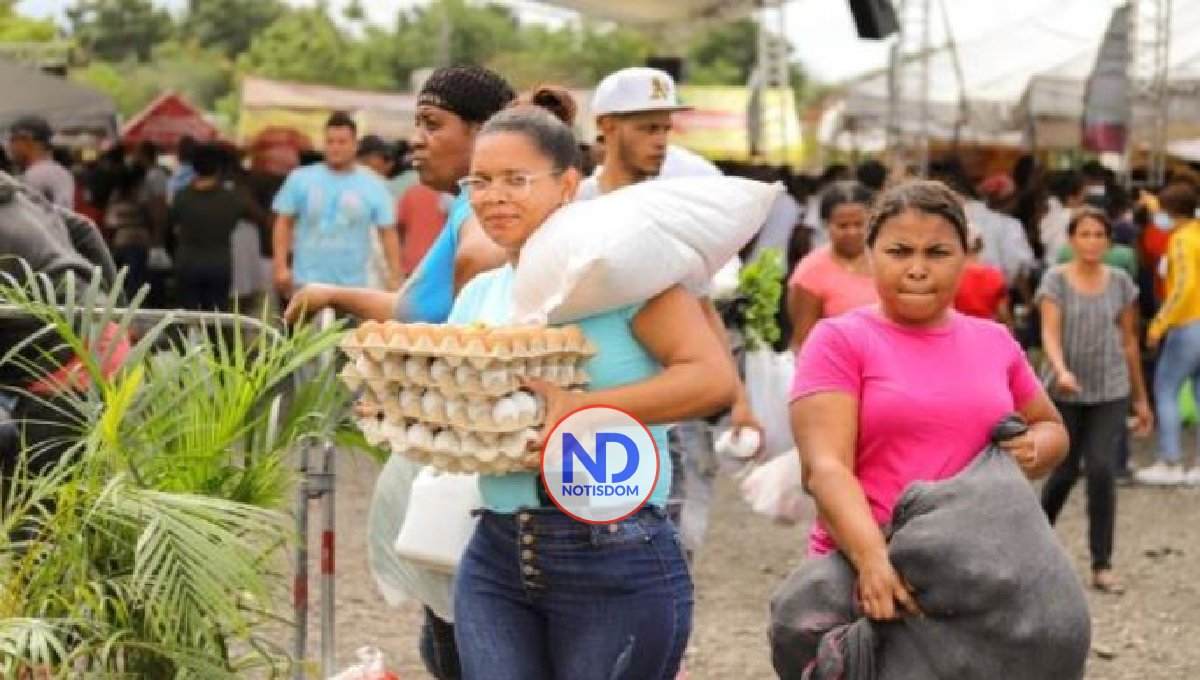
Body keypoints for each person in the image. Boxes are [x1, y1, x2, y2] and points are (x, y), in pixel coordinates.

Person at [449, 88, 738, 680]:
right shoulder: (482, 292)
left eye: (515, 179)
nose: (494, 196)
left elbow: (713, 382)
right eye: (479, 182)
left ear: (567, 184)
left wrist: (583, 408)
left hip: (614, 554)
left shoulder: (623, 277)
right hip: (497, 552)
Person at [284, 64, 516, 680]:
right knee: (444, 640)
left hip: (465, 463)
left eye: (431, 124)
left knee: (459, 646)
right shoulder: (463, 208)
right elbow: (422, 309)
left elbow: (476, 318)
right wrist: (339, 293)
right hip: (448, 451)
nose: (415, 138)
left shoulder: (479, 220)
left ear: (483, 132)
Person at [790, 179, 1068, 621]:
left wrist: (1037, 447)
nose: (918, 268)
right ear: (871, 255)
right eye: (899, 252)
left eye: (937, 253)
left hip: (979, 571)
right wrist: (872, 560)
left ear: (965, 257)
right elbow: (825, 469)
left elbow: (1050, 426)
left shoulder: (994, 341)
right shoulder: (839, 341)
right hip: (865, 573)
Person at [575, 66, 761, 565]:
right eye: (646, 128)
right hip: (597, 408)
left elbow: (699, 304)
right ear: (607, 126)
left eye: (664, 128)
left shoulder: (674, 207)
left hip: (674, 403)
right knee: (594, 544)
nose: (660, 142)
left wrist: (738, 398)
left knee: (670, 546)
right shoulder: (576, 206)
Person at [1037, 208, 1152, 592]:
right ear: (1072, 240)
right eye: (1084, 234)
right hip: (1065, 389)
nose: (1091, 241)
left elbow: (1130, 341)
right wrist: (1061, 369)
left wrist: (1140, 398)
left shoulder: (1121, 282)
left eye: (1098, 235)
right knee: (1064, 471)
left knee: (1102, 468)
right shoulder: (1056, 280)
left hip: (1111, 387)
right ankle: (1033, 549)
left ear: (1108, 241)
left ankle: (1102, 563)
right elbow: (1049, 334)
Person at [272, 112, 401, 296]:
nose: (335, 148)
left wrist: (395, 275)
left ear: (355, 145)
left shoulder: (374, 184)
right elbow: (283, 222)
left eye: (342, 142)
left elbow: (387, 232)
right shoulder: (300, 179)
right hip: (307, 284)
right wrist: (280, 266)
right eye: (330, 142)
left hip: (354, 287)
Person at [1136, 183, 1200, 485]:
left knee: (1166, 389)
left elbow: (1183, 287)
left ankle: (1170, 461)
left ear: (1170, 212)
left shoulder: (1181, 240)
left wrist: (1158, 323)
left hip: (1187, 324)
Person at [786, 181, 877, 349]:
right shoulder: (811, 272)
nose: (852, 232)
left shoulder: (884, 261)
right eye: (842, 226)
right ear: (826, 225)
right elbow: (804, 341)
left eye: (859, 224)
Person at [168, 142, 254, 311]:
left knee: (189, 317)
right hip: (219, 264)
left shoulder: (181, 197)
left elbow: (169, 226)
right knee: (216, 318)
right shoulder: (231, 198)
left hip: (187, 262)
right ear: (219, 167)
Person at [8, 115, 74, 209]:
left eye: (13, 140)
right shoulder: (61, 171)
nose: (10, 147)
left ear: (27, 141)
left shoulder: (36, 175)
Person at [954, 227, 1012, 326]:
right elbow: (1003, 314)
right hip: (987, 331)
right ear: (981, 246)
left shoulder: (952, 277)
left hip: (959, 332)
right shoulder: (995, 276)